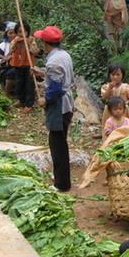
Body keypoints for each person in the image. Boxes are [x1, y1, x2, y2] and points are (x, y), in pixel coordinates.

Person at [33, 25, 75, 192]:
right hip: (67, 105)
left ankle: (62, 184)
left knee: (57, 144)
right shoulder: (63, 55)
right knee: (60, 140)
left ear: (45, 43)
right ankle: (60, 176)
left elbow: (56, 89)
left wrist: (45, 99)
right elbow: (57, 76)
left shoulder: (53, 61)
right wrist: (40, 71)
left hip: (59, 106)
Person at [10, 21, 39, 112]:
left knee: (29, 84)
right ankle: (21, 100)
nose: (22, 34)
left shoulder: (31, 39)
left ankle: (29, 104)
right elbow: (11, 49)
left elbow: (35, 51)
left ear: (28, 32)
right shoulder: (15, 39)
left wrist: (29, 44)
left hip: (28, 65)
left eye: (24, 32)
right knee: (19, 83)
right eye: (19, 32)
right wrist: (15, 42)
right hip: (18, 65)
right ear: (16, 32)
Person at [100, 63, 129, 136]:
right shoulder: (106, 87)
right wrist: (110, 88)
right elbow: (104, 97)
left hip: (124, 110)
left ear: (123, 75)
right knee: (108, 127)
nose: (115, 77)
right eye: (113, 75)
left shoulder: (126, 87)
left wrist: (126, 104)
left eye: (118, 74)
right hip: (109, 111)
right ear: (109, 75)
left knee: (127, 128)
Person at [0, 21, 16, 96]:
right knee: (13, 72)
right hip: (7, 71)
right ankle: (7, 93)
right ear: (6, 34)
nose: (13, 35)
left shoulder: (24, 44)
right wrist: (5, 60)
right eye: (10, 33)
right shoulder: (3, 46)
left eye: (15, 33)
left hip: (22, 70)